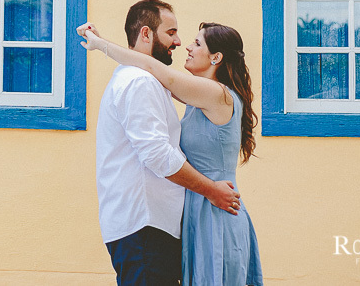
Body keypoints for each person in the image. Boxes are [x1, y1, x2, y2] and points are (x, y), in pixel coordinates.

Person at [81, 15, 264, 286]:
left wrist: (99, 44)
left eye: (197, 43)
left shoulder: (216, 94)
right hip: (199, 208)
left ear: (216, 57)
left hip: (215, 207)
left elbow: (153, 68)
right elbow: (150, 68)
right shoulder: (196, 98)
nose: (186, 46)